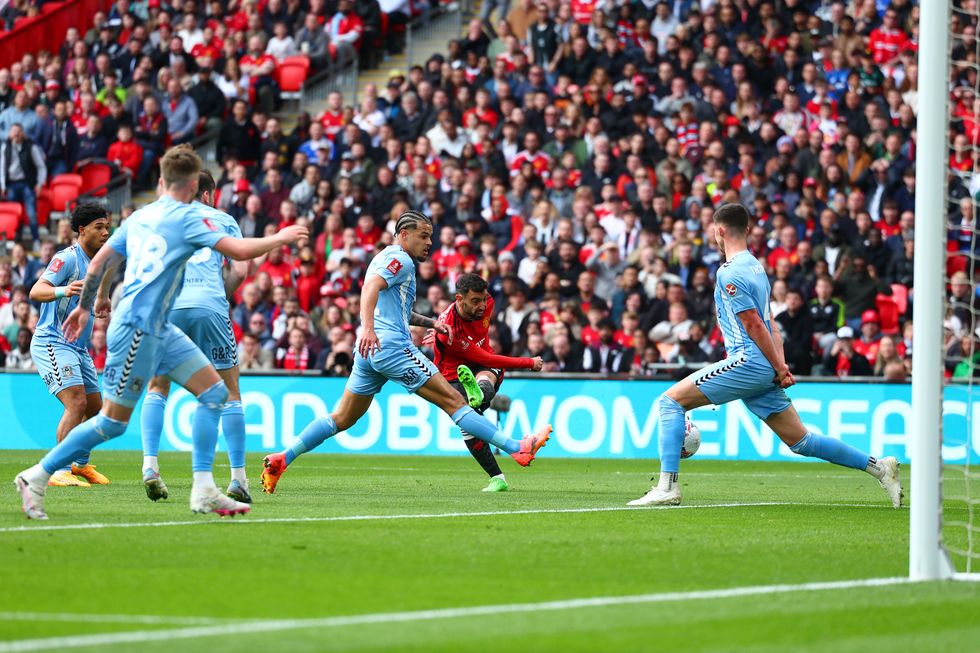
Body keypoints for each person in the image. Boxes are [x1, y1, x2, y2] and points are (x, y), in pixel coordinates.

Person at [13, 145, 308, 520]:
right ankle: (36, 475)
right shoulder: (188, 218)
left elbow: (102, 262)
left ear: (160, 182)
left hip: (160, 325)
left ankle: (203, 490)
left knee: (215, 392)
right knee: (112, 422)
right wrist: (281, 237)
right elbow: (239, 250)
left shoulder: (140, 216)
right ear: (190, 186)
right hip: (139, 327)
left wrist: (90, 303)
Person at [629, 203, 902, 508]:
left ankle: (667, 486)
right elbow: (772, 323)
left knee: (670, 402)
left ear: (719, 231)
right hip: (764, 366)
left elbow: (755, 324)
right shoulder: (757, 267)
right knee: (801, 441)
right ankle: (880, 468)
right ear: (746, 229)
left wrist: (777, 366)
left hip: (747, 361)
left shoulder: (730, 273)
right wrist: (780, 365)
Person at [259, 211, 552, 494]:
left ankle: (283, 458)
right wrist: (369, 328)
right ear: (403, 234)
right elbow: (370, 289)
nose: (429, 243)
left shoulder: (384, 257)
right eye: (423, 236)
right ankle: (518, 448)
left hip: (369, 353)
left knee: (342, 418)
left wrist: (431, 323)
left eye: (431, 237)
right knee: (455, 401)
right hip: (390, 346)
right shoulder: (402, 260)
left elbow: (396, 309)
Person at [139, 171, 252, 504]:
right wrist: (219, 295)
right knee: (230, 391)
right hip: (209, 305)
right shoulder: (223, 219)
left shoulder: (163, 219)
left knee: (158, 385)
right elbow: (241, 268)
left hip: (169, 306)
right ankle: (238, 479)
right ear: (206, 194)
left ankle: (150, 467)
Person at [429, 273, 544, 492]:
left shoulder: (488, 302)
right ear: (459, 299)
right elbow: (486, 358)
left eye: (483, 299)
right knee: (468, 424)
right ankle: (498, 477)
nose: (482, 305)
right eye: (475, 301)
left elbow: (485, 358)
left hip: (480, 362)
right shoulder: (450, 329)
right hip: (452, 374)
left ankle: (479, 393)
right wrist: (528, 362)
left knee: (485, 379)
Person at [28, 203, 114, 488]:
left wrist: (102, 300)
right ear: (82, 230)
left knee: (96, 409)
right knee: (76, 403)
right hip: (53, 341)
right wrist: (64, 289)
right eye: (99, 227)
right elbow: (36, 291)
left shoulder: (98, 261)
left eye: (107, 226)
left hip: (78, 346)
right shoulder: (67, 259)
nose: (105, 232)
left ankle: (80, 464)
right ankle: (58, 469)